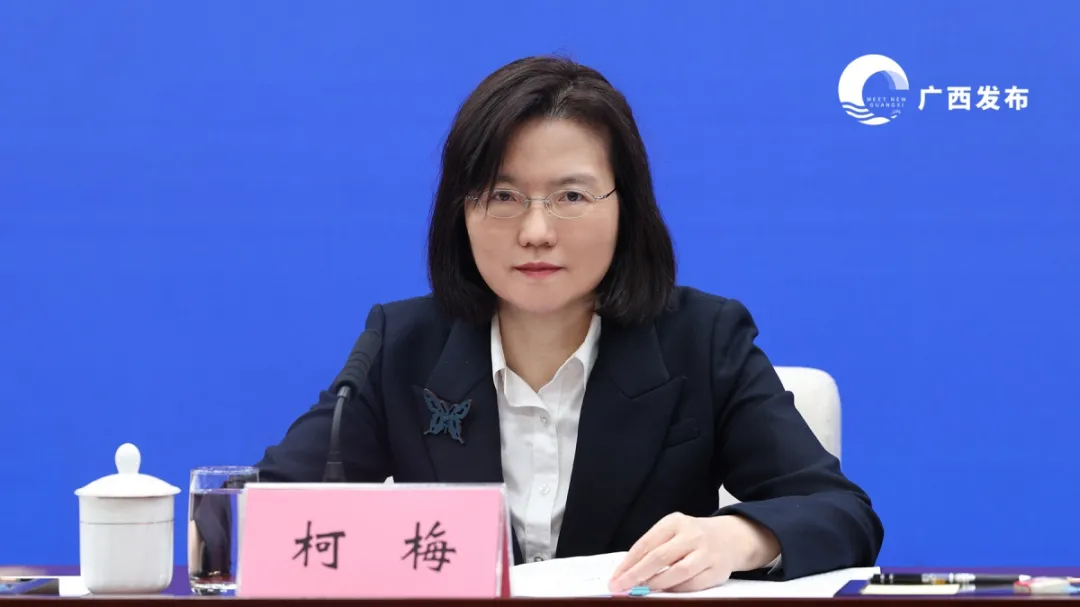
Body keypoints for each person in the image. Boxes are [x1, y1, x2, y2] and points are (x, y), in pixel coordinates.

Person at [253, 55, 884, 593]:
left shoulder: (703, 339)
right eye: (503, 196)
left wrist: (738, 536)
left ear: (626, 209)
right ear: (460, 212)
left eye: (571, 197)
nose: (536, 231)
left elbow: (841, 513)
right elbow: (259, 514)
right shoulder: (403, 345)